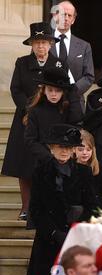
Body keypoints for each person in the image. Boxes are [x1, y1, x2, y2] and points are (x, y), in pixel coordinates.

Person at [23, 124, 98, 275]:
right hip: (48, 238)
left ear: (73, 150)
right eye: (59, 147)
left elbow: (92, 206)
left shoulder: (84, 172)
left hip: (75, 237)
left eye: (68, 148)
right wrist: (54, 232)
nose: (64, 151)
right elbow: (36, 208)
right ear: (51, 148)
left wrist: (76, 227)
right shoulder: (40, 172)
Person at [1, 22, 63, 221]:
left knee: (49, 163)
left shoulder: (60, 64)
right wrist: (29, 110)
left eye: (44, 42)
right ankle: (26, 206)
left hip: (52, 121)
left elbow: (65, 90)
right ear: (31, 45)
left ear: (51, 44)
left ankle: (46, 205)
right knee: (24, 164)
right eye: (37, 43)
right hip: (25, 120)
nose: (41, 47)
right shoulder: (22, 63)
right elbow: (15, 89)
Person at [24, 66, 83, 167]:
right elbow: (30, 139)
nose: (53, 94)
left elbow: (77, 120)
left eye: (58, 90)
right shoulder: (36, 110)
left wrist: (72, 92)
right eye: (50, 90)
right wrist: (49, 157)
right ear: (43, 90)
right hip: (44, 162)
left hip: (67, 160)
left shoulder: (67, 109)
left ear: (63, 92)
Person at [51, 1, 95, 111]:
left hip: (75, 103)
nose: (65, 18)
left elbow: (89, 76)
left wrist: (71, 91)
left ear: (73, 20)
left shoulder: (84, 46)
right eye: (62, 14)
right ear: (54, 16)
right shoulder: (43, 43)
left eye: (69, 15)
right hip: (48, 103)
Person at [75, 130, 102, 210]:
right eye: (80, 149)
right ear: (73, 149)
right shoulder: (70, 167)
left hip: (97, 210)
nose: (85, 153)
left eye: (88, 149)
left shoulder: (99, 167)